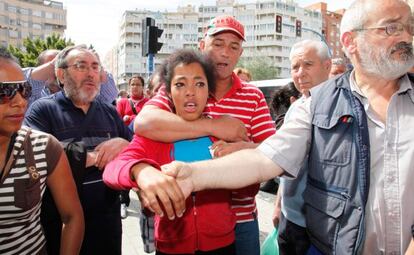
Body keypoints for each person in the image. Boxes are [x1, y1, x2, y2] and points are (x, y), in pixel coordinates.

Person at [162, 0, 414, 254]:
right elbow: (264, 159)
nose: (405, 36)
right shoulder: (315, 105)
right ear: (350, 42)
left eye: (409, 27)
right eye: (391, 28)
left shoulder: (259, 97)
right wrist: (193, 176)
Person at [135, 15, 276, 255]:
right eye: (218, 43)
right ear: (202, 46)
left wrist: (240, 149)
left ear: (240, 53)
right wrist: (214, 126)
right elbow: (144, 123)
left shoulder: (253, 96)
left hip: (242, 221)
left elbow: (274, 148)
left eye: (234, 47)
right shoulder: (179, 89)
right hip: (181, 221)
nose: (225, 53)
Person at [104, 49, 236, 255]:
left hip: (222, 244)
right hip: (172, 245)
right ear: (169, 92)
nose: (190, 92)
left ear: (209, 90)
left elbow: (250, 189)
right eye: (180, 84)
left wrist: (234, 160)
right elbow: (112, 170)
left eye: (199, 83)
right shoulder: (156, 134)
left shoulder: (226, 132)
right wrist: (141, 171)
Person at [24, 45, 133, 255]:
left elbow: (136, 148)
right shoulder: (42, 109)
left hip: (107, 223)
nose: (91, 73)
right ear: (61, 74)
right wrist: (92, 157)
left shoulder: (110, 113)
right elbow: (34, 153)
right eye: (81, 66)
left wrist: (125, 145)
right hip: (60, 223)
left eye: (95, 67)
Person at [0, 48, 84, 254]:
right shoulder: (44, 110)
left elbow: (72, 217)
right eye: (5, 91)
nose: (20, 102)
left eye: (24, 90)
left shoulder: (43, 146)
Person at [273, 39, 331, 255]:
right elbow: (286, 159)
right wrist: (279, 204)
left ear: (327, 65)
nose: (300, 73)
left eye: (308, 65)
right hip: (290, 219)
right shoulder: (296, 107)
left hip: (319, 227)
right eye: (295, 67)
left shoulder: (342, 107)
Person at [25, 47, 119, 106]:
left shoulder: (80, 93)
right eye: (53, 66)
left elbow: (109, 96)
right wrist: (53, 64)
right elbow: (21, 82)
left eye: (63, 64)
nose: (56, 71)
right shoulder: (35, 97)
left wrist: (94, 62)